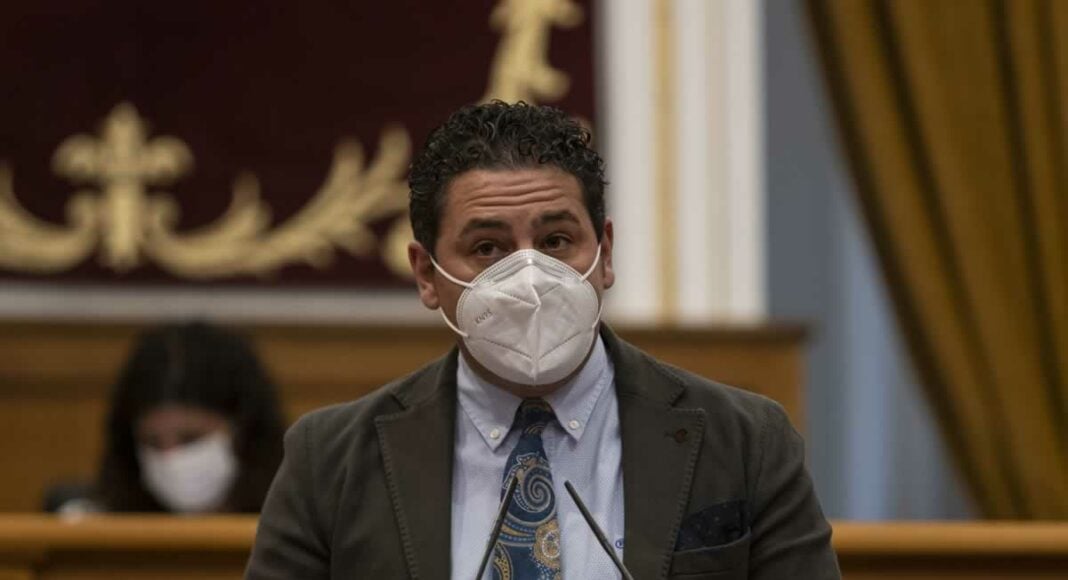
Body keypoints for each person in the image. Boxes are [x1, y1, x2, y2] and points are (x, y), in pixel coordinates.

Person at [246, 102, 840, 579]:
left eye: (556, 241)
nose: (530, 277)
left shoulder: (745, 442)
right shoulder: (329, 460)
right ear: (427, 275)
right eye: (488, 248)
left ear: (605, 253)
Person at [64, 321, 286, 514]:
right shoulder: (93, 526)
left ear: (243, 430)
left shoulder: (295, 527)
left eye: (191, 439)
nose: (170, 459)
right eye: (152, 442)